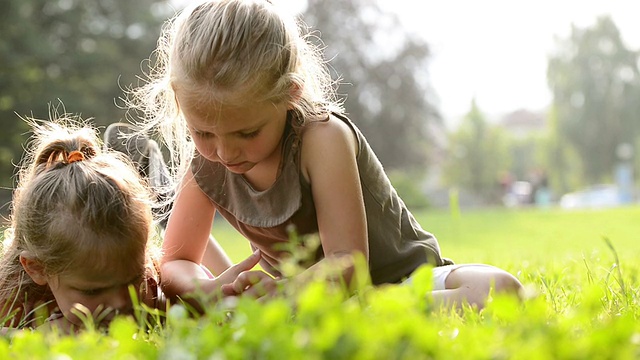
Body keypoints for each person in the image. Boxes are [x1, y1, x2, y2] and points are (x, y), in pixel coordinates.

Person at [127, 0, 523, 309]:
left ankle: (360, 314)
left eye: (247, 132)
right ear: (178, 100)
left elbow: (348, 263)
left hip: (403, 283)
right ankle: (341, 317)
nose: (225, 151)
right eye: (203, 132)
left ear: (290, 94)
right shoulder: (205, 164)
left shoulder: (322, 139)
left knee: (499, 289)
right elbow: (176, 260)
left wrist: (284, 295)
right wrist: (209, 289)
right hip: (301, 298)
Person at [0, 117, 272, 333]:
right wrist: (36, 339)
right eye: (93, 291)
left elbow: (203, 313)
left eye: (132, 280)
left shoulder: (152, 292)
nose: (121, 302)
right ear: (37, 269)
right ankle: (160, 193)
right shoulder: (15, 299)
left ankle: (161, 200)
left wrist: (218, 299)